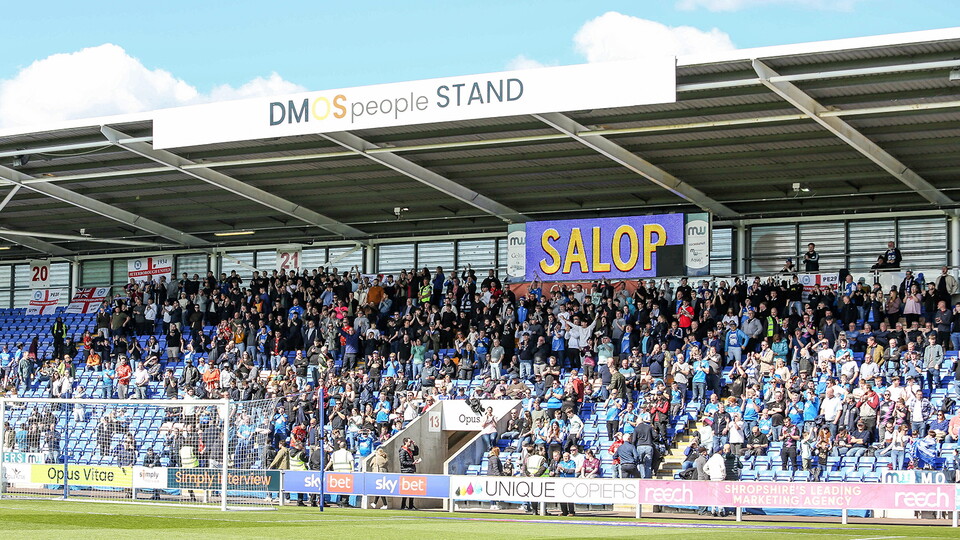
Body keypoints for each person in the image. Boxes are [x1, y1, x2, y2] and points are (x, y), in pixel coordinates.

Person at [399, 438, 420, 510]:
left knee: (412, 489)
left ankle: (411, 504)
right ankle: (403, 505)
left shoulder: (409, 450)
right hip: (405, 471)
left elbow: (416, 453)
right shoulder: (403, 451)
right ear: (405, 442)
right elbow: (402, 462)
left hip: (411, 470)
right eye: (409, 442)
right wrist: (412, 463)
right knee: (405, 489)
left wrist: (415, 445)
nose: (410, 443)